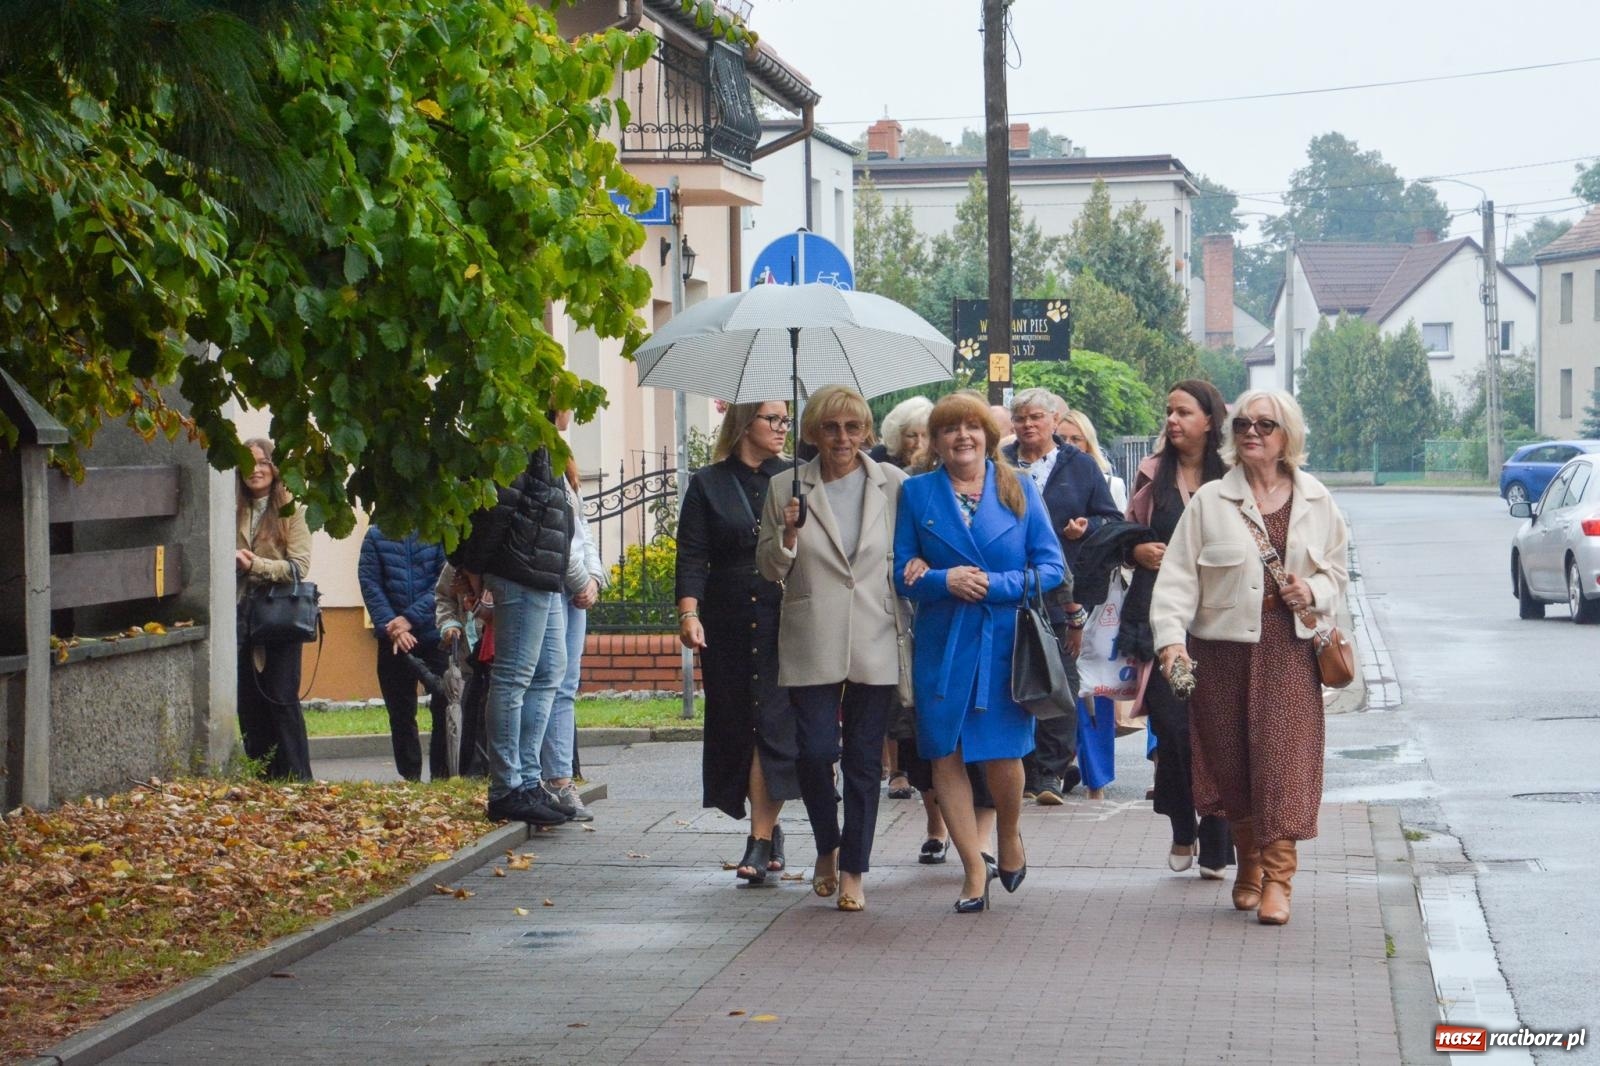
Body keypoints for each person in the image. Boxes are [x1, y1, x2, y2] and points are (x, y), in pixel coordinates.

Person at [1151, 389, 1349, 926]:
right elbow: (1177, 578)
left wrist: (1312, 590)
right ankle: (1250, 862)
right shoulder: (1211, 501)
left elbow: (1337, 572)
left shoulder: (1316, 500)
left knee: (1283, 765)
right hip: (1220, 654)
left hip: (1289, 651)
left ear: (1288, 435)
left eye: (1265, 425)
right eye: (1242, 425)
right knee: (1232, 764)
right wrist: (1171, 641)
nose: (1252, 433)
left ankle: (1278, 880)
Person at [896, 391, 1066, 913]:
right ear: (935, 441)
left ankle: (1009, 834)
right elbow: (902, 570)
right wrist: (943, 580)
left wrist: (994, 585)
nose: (962, 436)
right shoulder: (916, 493)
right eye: (949, 429)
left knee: (1002, 753)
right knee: (943, 751)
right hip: (942, 642)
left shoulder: (1018, 487)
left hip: (1003, 642)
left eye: (971, 427)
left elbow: (1052, 568)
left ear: (988, 436)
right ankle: (973, 867)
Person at [757, 385, 908, 913]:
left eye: (852, 427)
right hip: (811, 632)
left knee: (865, 762)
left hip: (876, 632)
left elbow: (909, 551)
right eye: (830, 427)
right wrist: (788, 535)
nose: (842, 438)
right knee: (815, 752)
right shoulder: (785, 486)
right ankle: (828, 842)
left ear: (866, 431)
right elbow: (768, 568)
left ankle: (854, 871)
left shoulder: (893, 483)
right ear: (812, 433)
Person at [677, 400, 801, 884]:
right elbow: (692, 554)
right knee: (738, 724)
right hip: (728, 617)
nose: (782, 428)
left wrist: (794, 526)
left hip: (782, 614)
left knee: (771, 722)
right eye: (773, 419)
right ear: (746, 423)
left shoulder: (794, 478)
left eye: (785, 420)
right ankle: (768, 828)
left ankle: (760, 838)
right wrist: (689, 612)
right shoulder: (708, 483)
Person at [1123, 381, 1233, 877]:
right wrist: (1136, 551)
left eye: (1184, 412)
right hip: (1164, 619)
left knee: (1217, 730)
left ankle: (1217, 838)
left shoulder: (1233, 475)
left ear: (1209, 420)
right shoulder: (1153, 473)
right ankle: (1182, 824)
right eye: (1169, 411)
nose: (1172, 420)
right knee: (1172, 728)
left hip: (1221, 620)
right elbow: (1127, 530)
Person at [454, 436, 592, 826]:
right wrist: (474, 568)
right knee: (514, 677)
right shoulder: (522, 436)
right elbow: (498, 509)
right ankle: (506, 788)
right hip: (520, 568)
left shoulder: (545, 442)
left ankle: (529, 782)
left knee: (549, 671)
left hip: (542, 573)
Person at [1001, 388, 1122, 805]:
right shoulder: (999, 463)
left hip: (1061, 590)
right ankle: (1019, 769)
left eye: (1036, 417)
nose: (1028, 425)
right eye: (1020, 418)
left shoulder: (1080, 465)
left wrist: (1086, 527)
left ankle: (1049, 773)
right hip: (1008, 587)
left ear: (1055, 420)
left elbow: (1111, 520)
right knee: (1011, 681)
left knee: (1059, 682)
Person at [235, 437, 314, 781]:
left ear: (274, 467)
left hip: (279, 616)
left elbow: (298, 568)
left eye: (261, 462)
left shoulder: (291, 510)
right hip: (239, 614)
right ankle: (262, 777)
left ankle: (298, 778)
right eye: (247, 462)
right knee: (248, 701)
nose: (254, 470)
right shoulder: (230, 508)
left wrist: (255, 565)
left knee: (281, 697)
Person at [869, 395, 933, 802]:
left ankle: (925, 774)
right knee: (897, 686)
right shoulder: (882, 472)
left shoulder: (938, 475)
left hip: (928, 588)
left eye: (926, 435)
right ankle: (897, 768)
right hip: (891, 585)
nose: (919, 443)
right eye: (912, 435)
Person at [358, 527, 448, 781]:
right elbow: (370, 584)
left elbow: (443, 581)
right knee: (400, 711)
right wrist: (394, 628)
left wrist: (410, 619)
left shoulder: (437, 529)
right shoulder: (375, 535)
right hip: (393, 639)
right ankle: (410, 777)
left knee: (444, 703)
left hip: (434, 634)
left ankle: (442, 775)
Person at [545, 446, 604, 822]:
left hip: (575, 591)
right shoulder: (540, 463)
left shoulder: (566, 467)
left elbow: (583, 533)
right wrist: (582, 580)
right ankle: (551, 779)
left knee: (566, 686)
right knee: (547, 682)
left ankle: (562, 779)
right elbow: (556, 539)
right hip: (554, 585)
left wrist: (594, 578)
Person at [1059, 408, 1128, 512]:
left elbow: (1120, 522)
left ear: (1088, 444)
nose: (1067, 444)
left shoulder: (1113, 486)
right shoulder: (1043, 481)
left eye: (1076, 439)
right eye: (1061, 439)